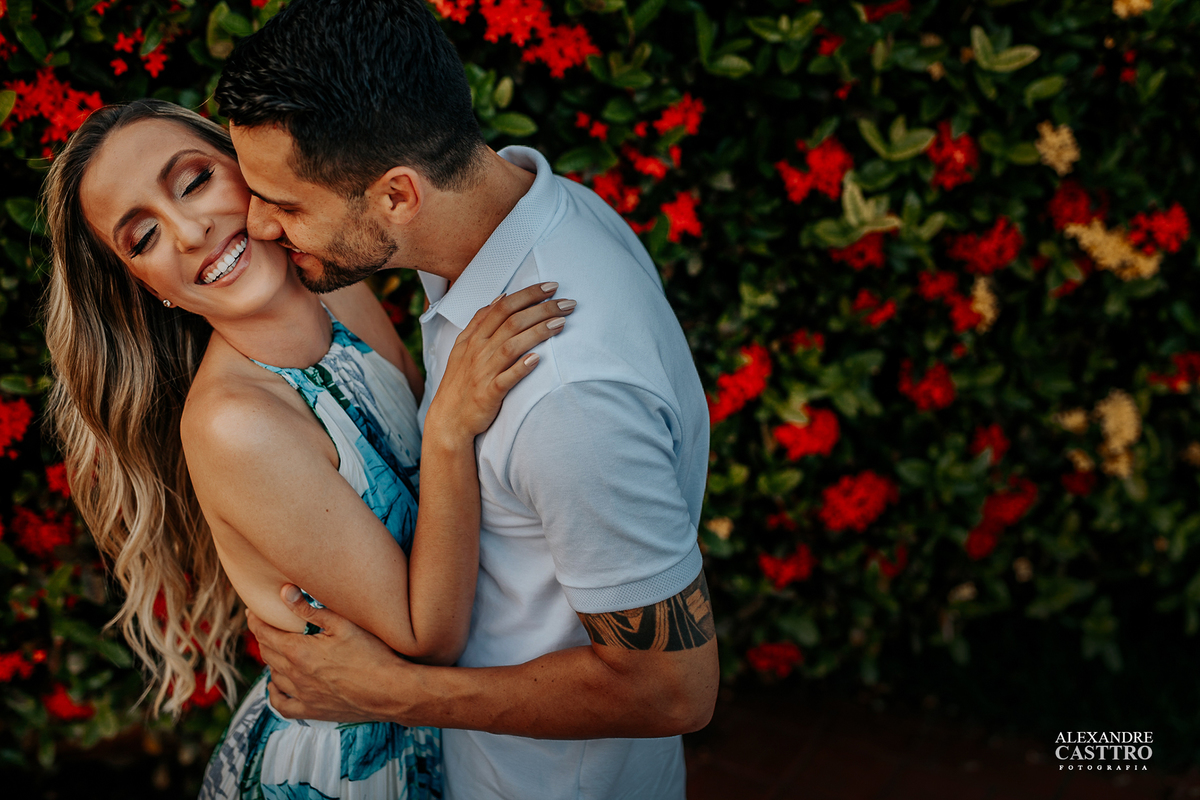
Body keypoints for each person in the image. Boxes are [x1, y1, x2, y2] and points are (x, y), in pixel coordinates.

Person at [217, 1, 719, 797]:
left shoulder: (568, 401)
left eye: (286, 203)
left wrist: (387, 693)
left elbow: (674, 688)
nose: (257, 225)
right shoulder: (528, 211)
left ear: (398, 196)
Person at [42, 98, 575, 798]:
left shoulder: (335, 289)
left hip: (445, 728)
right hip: (347, 767)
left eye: (194, 181)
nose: (191, 230)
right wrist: (449, 429)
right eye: (142, 238)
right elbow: (424, 634)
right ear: (147, 289)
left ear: (246, 169)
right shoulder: (235, 423)